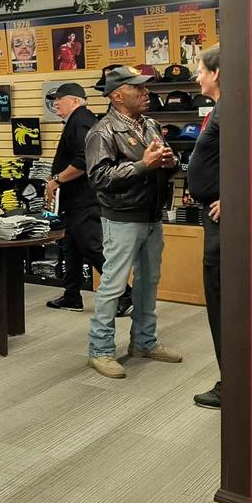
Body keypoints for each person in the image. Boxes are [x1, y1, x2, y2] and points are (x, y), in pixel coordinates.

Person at [83, 66, 183, 379]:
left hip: (152, 215)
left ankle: (144, 342)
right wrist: (142, 165)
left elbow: (162, 164)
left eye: (144, 87)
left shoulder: (149, 124)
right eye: (137, 88)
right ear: (117, 96)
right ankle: (99, 350)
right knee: (113, 286)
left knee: (148, 282)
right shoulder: (102, 132)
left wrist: (171, 163)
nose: (145, 92)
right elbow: (99, 178)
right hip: (122, 219)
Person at [43, 84, 133, 317]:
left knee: (93, 248)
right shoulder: (77, 120)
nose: (55, 103)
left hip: (84, 199)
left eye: (59, 99)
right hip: (75, 200)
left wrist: (57, 180)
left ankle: (125, 294)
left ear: (75, 100)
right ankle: (72, 296)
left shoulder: (81, 121)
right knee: (71, 247)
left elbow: (85, 160)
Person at [187, 46, 222, 409]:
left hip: (222, 220)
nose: (197, 77)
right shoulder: (222, 109)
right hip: (213, 215)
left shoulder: (230, 109)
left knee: (221, 299)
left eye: (200, 70)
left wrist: (233, 196)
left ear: (217, 73)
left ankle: (232, 384)